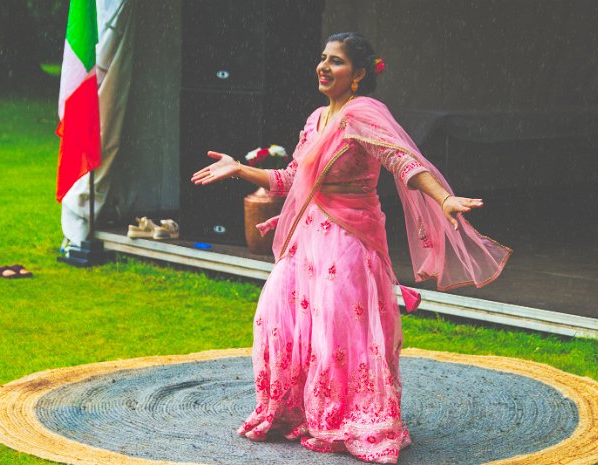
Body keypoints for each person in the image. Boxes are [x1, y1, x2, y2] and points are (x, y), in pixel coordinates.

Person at [191, 32, 511, 464]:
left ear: (359, 74)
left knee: (337, 333)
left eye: (336, 62)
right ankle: (295, 410)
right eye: (322, 59)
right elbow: (291, 179)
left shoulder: (365, 113)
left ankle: (354, 419)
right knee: (275, 317)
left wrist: (444, 198)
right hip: (307, 240)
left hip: (348, 243)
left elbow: (404, 161)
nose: (324, 67)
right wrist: (240, 169)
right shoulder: (316, 118)